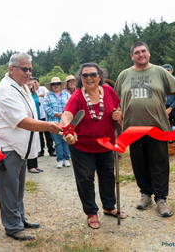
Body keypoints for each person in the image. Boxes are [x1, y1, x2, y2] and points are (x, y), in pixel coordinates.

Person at [114, 42, 175, 217]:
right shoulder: (124, 75)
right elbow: (115, 99)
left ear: (149, 53)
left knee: (159, 162)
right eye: (137, 52)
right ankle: (145, 195)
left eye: (143, 51)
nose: (140, 54)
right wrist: (116, 115)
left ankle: (161, 199)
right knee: (139, 163)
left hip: (157, 127)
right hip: (132, 129)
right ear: (132, 56)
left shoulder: (160, 72)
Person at [0, 53, 61, 241]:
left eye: (30, 69)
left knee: (17, 187)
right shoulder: (6, 90)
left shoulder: (20, 86)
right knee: (8, 187)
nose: (28, 73)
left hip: (17, 147)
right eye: (24, 69)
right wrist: (48, 126)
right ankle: (13, 226)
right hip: (3, 147)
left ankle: (19, 218)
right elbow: (22, 121)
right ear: (11, 69)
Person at [62, 63, 126, 229]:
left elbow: (118, 110)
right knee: (85, 179)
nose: (89, 78)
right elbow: (66, 115)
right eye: (84, 75)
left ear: (100, 75)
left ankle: (109, 207)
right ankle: (91, 212)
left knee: (107, 176)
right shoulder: (77, 96)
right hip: (82, 146)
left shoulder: (109, 91)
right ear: (80, 78)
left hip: (106, 144)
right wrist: (67, 130)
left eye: (93, 74)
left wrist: (119, 114)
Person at [44, 77, 71, 168]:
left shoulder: (66, 94)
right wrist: (56, 114)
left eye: (57, 84)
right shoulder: (48, 95)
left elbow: (71, 105)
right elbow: (46, 107)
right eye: (54, 84)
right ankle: (60, 159)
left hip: (66, 122)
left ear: (60, 85)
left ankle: (66, 159)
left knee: (66, 141)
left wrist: (65, 115)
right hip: (54, 122)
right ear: (51, 86)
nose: (56, 85)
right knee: (58, 142)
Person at [33, 77, 55, 157]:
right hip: (37, 117)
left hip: (45, 115)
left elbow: (48, 94)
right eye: (33, 82)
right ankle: (41, 151)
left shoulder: (43, 88)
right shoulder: (31, 91)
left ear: (38, 83)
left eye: (36, 82)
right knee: (39, 135)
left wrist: (38, 95)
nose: (34, 84)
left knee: (48, 134)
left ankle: (51, 150)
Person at [26, 77, 43, 173]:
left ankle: (35, 165)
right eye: (27, 81)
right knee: (30, 142)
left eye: (30, 81)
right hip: (29, 121)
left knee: (36, 142)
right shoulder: (24, 94)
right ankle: (30, 166)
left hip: (37, 119)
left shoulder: (34, 93)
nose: (29, 83)